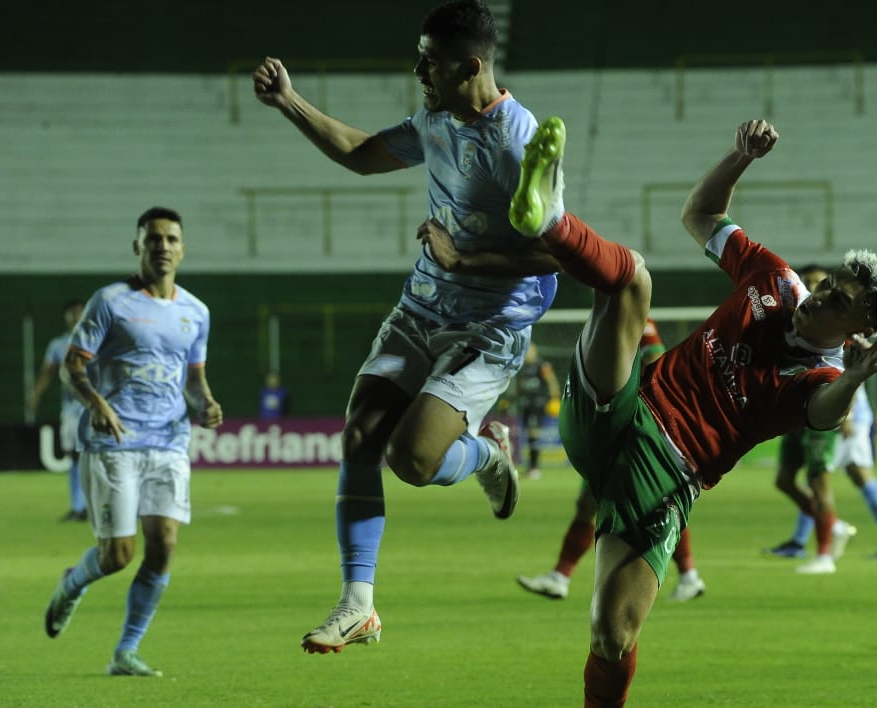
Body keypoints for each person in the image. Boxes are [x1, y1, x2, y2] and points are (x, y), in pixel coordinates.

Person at [507, 117, 877, 705]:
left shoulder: (822, 378)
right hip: (624, 407)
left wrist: (851, 379)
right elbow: (699, 215)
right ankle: (548, 215)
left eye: (840, 301)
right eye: (830, 284)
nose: (820, 295)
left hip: (667, 479)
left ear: (863, 327)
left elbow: (824, 414)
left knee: (612, 635)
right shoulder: (773, 278)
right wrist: (738, 157)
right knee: (631, 280)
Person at [253, 0, 560, 654]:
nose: (419, 68)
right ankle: (356, 605)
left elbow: (560, 252)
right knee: (360, 435)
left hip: (489, 325)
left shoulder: (520, 143)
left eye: (432, 59)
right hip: (424, 306)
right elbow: (365, 155)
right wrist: (291, 103)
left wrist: (464, 256)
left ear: (471, 65)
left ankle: (485, 453)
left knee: (411, 460)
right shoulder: (436, 118)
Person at [43, 207, 223, 677]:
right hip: (114, 443)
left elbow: (193, 379)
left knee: (163, 543)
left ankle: (126, 651)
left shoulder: (196, 312)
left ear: (183, 249)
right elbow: (72, 366)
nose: (162, 246)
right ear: (137, 246)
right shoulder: (110, 301)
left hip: (168, 441)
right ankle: (72, 583)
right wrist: (96, 405)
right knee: (117, 556)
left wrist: (205, 403)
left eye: (171, 239)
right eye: (153, 239)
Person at [517, 318, 706, 601]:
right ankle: (560, 577)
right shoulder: (603, 320)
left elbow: (655, 361)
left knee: (652, 504)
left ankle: (561, 577)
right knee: (604, 504)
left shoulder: (640, 321)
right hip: (612, 431)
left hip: (635, 429)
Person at [764, 265, 877, 571]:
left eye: (824, 284)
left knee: (836, 478)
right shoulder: (801, 318)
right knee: (788, 480)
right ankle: (826, 531)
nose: (818, 293)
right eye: (813, 285)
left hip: (837, 411)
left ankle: (830, 550)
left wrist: (846, 414)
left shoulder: (844, 327)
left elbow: (847, 374)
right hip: (802, 408)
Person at [29, 299, 88, 521]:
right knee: (73, 455)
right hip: (70, 409)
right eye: (71, 313)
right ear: (66, 317)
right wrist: (36, 393)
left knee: (93, 456)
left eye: (79, 312)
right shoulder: (58, 345)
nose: (75, 316)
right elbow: (48, 371)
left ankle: (97, 506)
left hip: (92, 408)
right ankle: (78, 506)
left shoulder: (96, 341)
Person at [508, 341, 561, 479]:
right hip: (525, 403)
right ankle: (531, 466)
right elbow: (520, 385)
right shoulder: (523, 366)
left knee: (533, 433)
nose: (527, 353)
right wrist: (513, 399)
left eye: (529, 350)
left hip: (537, 403)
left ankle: (534, 467)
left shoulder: (541, 365)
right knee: (528, 434)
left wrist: (554, 398)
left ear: (535, 351)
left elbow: (551, 381)